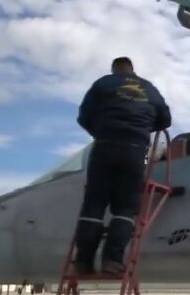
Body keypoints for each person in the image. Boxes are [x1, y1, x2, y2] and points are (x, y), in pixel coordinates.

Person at [73, 57, 172, 276]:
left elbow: (83, 116)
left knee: (94, 206)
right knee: (126, 208)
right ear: (132, 70)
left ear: (114, 69)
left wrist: (100, 132)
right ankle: (112, 261)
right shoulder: (149, 89)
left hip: (104, 146)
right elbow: (165, 120)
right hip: (135, 150)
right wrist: (142, 127)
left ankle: (82, 262)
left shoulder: (104, 83)